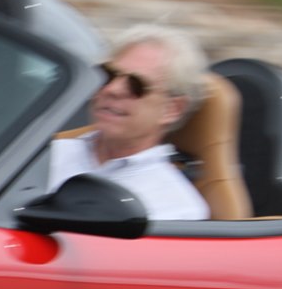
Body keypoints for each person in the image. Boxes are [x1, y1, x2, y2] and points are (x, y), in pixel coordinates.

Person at [46, 24, 210, 221]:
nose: (112, 89)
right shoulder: (45, 152)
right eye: (109, 75)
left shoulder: (175, 207)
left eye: (136, 85)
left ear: (172, 109)